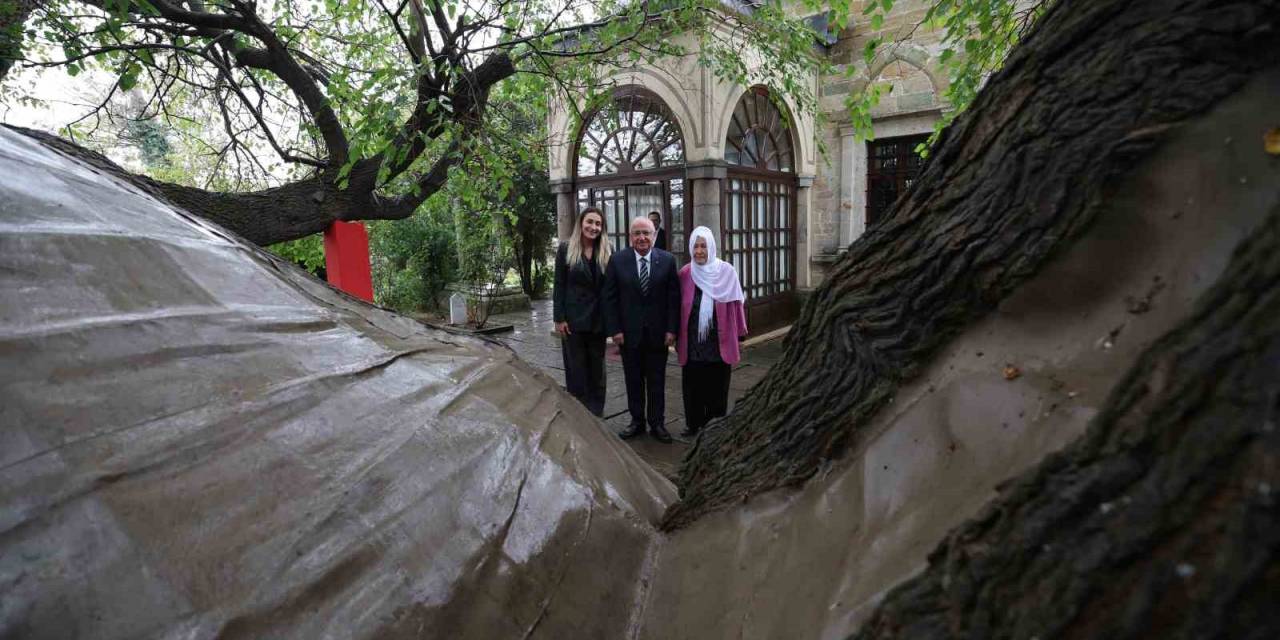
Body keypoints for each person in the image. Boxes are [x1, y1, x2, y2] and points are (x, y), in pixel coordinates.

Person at [603, 216, 681, 443]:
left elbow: (673, 299)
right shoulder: (617, 260)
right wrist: (615, 330)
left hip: (658, 334)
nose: (642, 237)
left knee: (657, 380)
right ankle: (637, 421)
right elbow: (610, 299)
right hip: (628, 335)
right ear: (631, 237)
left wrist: (671, 330)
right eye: (637, 233)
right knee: (633, 380)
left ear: (654, 236)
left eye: (646, 233)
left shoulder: (667, 260)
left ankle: (657, 423)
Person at [676, 227, 747, 438]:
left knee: (717, 386)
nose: (699, 251)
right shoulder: (685, 273)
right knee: (692, 385)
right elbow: (677, 305)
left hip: (718, 341)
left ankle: (714, 426)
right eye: (695, 246)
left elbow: (736, 304)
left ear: (712, 247)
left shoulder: (727, 271)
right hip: (693, 342)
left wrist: (741, 333)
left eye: (703, 246)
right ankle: (693, 424)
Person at [553, 207, 612, 416]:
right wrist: (559, 318)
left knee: (597, 369)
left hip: (598, 320)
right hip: (573, 321)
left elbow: (610, 288)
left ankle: (596, 412)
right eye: (590, 222)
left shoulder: (607, 250)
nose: (593, 227)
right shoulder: (566, 248)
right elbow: (559, 284)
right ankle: (579, 414)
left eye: (598, 224)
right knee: (576, 369)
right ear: (581, 223)